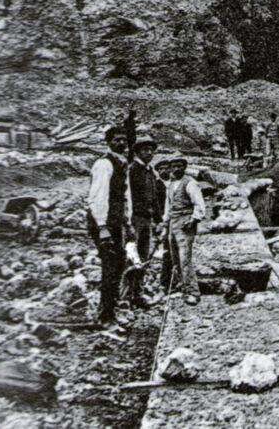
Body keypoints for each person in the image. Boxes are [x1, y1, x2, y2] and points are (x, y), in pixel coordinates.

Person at [87, 126, 132, 326]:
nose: (121, 143)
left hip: (115, 222)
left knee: (119, 262)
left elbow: (124, 197)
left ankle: (110, 308)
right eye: (117, 140)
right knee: (110, 266)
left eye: (124, 140)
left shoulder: (121, 163)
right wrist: (102, 227)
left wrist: (127, 223)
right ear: (108, 142)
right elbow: (98, 196)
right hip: (102, 222)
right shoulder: (104, 164)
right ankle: (105, 315)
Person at [159, 156, 205, 306]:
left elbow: (199, 205)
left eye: (179, 166)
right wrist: (165, 223)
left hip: (185, 223)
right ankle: (182, 286)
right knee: (175, 258)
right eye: (173, 166)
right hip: (173, 222)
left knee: (185, 258)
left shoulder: (191, 183)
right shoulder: (171, 184)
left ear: (184, 167)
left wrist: (193, 219)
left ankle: (192, 292)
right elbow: (168, 205)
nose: (176, 169)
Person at [126, 134, 160, 307]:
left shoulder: (150, 171)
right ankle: (126, 295)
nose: (148, 153)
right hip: (135, 219)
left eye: (150, 150)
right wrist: (128, 221)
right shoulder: (132, 170)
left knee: (144, 255)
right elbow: (127, 196)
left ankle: (137, 293)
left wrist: (158, 219)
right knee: (132, 257)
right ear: (137, 152)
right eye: (144, 150)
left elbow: (154, 198)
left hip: (147, 219)